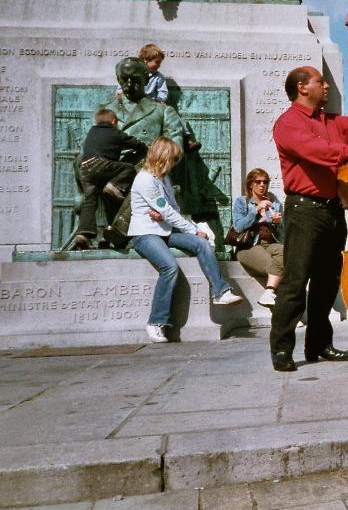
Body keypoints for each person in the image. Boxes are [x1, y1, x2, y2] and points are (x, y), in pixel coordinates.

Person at [268, 65, 348, 372]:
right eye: (320, 81)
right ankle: (281, 349)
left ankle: (318, 344)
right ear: (302, 87)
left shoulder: (330, 121)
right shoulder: (288, 123)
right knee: (295, 280)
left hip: (331, 209)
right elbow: (313, 150)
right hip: (304, 209)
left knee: (327, 281)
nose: (326, 86)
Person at [128, 136, 242, 343]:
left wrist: (165, 215)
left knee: (201, 244)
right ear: (162, 157)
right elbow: (167, 210)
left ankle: (220, 292)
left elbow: (172, 209)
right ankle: (156, 322)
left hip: (164, 231)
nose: (173, 164)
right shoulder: (145, 179)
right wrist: (191, 228)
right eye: (172, 159)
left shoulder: (163, 179)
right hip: (145, 234)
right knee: (169, 267)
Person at [98, 57, 185, 248]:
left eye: (136, 79)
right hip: (113, 166)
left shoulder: (163, 111)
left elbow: (176, 147)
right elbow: (94, 142)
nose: (130, 85)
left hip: (147, 166)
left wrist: (154, 157)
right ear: (118, 80)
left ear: (146, 78)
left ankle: (120, 228)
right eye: (124, 79)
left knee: (145, 169)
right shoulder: (106, 111)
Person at [74, 108, 149, 250]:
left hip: (85, 168)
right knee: (128, 168)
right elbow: (132, 142)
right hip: (99, 164)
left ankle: (84, 234)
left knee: (89, 200)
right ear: (114, 121)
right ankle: (114, 187)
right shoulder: (115, 132)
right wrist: (144, 147)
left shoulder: (92, 132)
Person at [232, 168, 283, 308]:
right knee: (279, 272)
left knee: (286, 252)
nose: (262, 185)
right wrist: (256, 211)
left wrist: (278, 223)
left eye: (265, 182)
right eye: (258, 182)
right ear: (250, 184)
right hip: (248, 246)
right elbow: (238, 227)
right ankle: (286, 317)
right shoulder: (242, 202)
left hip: (269, 244)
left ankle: (269, 292)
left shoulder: (275, 203)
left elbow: (282, 234)